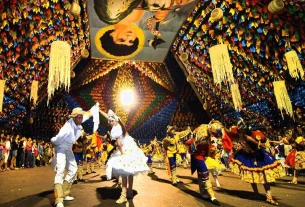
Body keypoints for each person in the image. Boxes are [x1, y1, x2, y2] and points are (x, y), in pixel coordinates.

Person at [51, 103, 100, 207]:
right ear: (74, 117)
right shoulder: (66, 129)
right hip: (61, 148)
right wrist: (54, 145)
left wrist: (95, 107)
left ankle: (64, 193)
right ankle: (58, 200)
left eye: (81, 117)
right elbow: (56, 140)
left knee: (73, 169)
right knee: (60, 171)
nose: (81, 119)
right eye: (79, 117)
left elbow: (88, 114)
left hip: (68, 148)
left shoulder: (79, 120)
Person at [229, 119, 285, 206]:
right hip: (248, 157)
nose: (240, 130)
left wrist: (261, 144)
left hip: (257, 156)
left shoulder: (248, 136)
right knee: (251, 176)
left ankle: (268, 196)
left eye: (241, 129)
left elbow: (259, 144)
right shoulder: (241, 135)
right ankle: (257, 194)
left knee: (264, 176)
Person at [99, 109, 149, 204]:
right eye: (109, 121)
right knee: (129, 171)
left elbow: (118, 144)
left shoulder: (116, 128)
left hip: (124, 148)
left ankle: (123, 195)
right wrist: (100, 110)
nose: (110, 122)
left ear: (116, 120)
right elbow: (109, 116)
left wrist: (121, 153)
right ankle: (129, 192)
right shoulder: (118, 123)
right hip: (130, 146)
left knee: (125, 172)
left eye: (112, 121)